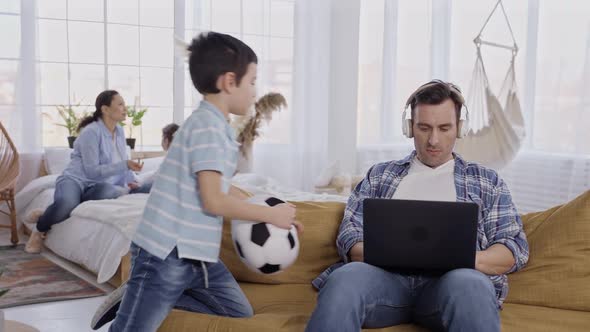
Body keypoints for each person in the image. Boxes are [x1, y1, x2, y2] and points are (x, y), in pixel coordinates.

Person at [105, 31, 303, 332]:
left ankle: (135, 299)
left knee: (238, 312)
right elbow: (214, 201)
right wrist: (270, 215)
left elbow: (220, 188)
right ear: (228, 82)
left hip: (199, 256)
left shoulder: (215, 127)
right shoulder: (207, 128)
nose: (254, 91)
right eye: (251, 82)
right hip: (166, 254)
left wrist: (275, 211)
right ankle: (136, 301)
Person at [306, 80, 529, 332]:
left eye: (444, 128)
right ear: (410, 128)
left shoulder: (487, 181)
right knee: (346, 278)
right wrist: (391, 254)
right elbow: (350, 236)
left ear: (460, 128)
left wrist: (460, 259)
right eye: (424, 128)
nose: (434, 140)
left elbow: (513, 247)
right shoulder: (380, 175)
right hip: (385, 284)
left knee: (471, 284)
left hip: (452, 285)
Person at [25, 90, 144, 254]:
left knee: (112, 190)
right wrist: (125, 165)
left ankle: (49, 212)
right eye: (120, 104)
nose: (125, 108)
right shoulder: (91, 132)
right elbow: (92, 171)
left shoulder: (120, 131)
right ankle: (39, 229)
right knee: (67, 203)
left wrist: (131, 178)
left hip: (97, 185)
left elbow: (121, 158)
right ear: (105, 109)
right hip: (75, 179)